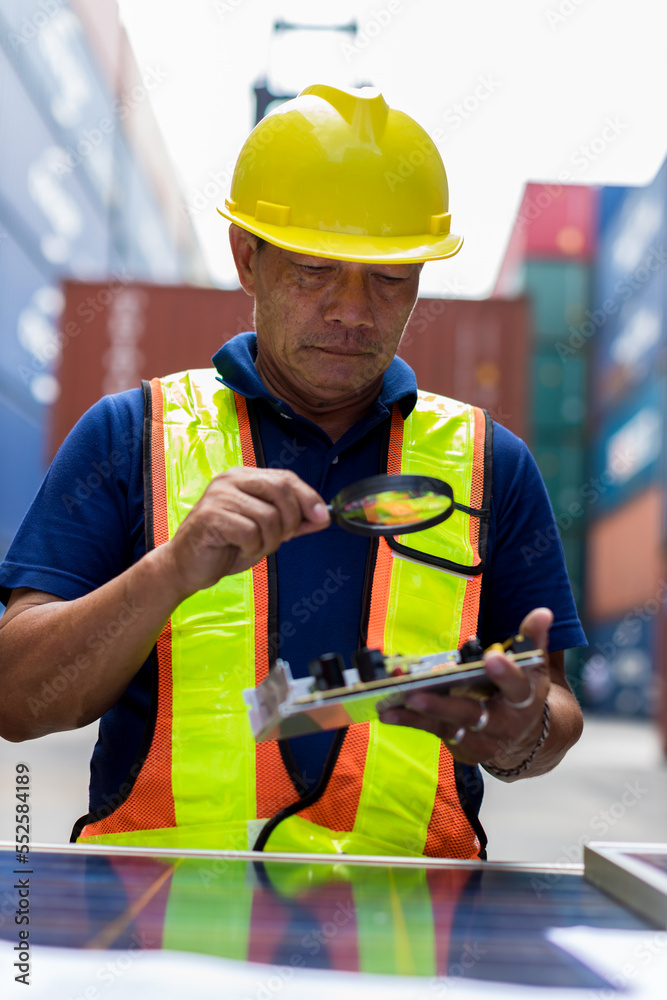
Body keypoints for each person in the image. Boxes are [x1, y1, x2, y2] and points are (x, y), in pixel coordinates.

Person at [0, 84, 584, 858]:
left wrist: (519, 733)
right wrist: (167, 571)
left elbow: (552, 709)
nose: (352, 310)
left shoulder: (492, 465)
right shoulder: (128, 435)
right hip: (159, 934)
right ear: (248, 256)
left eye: (388, 277)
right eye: (315, 270)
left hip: (407, 945)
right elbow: (18, 702)